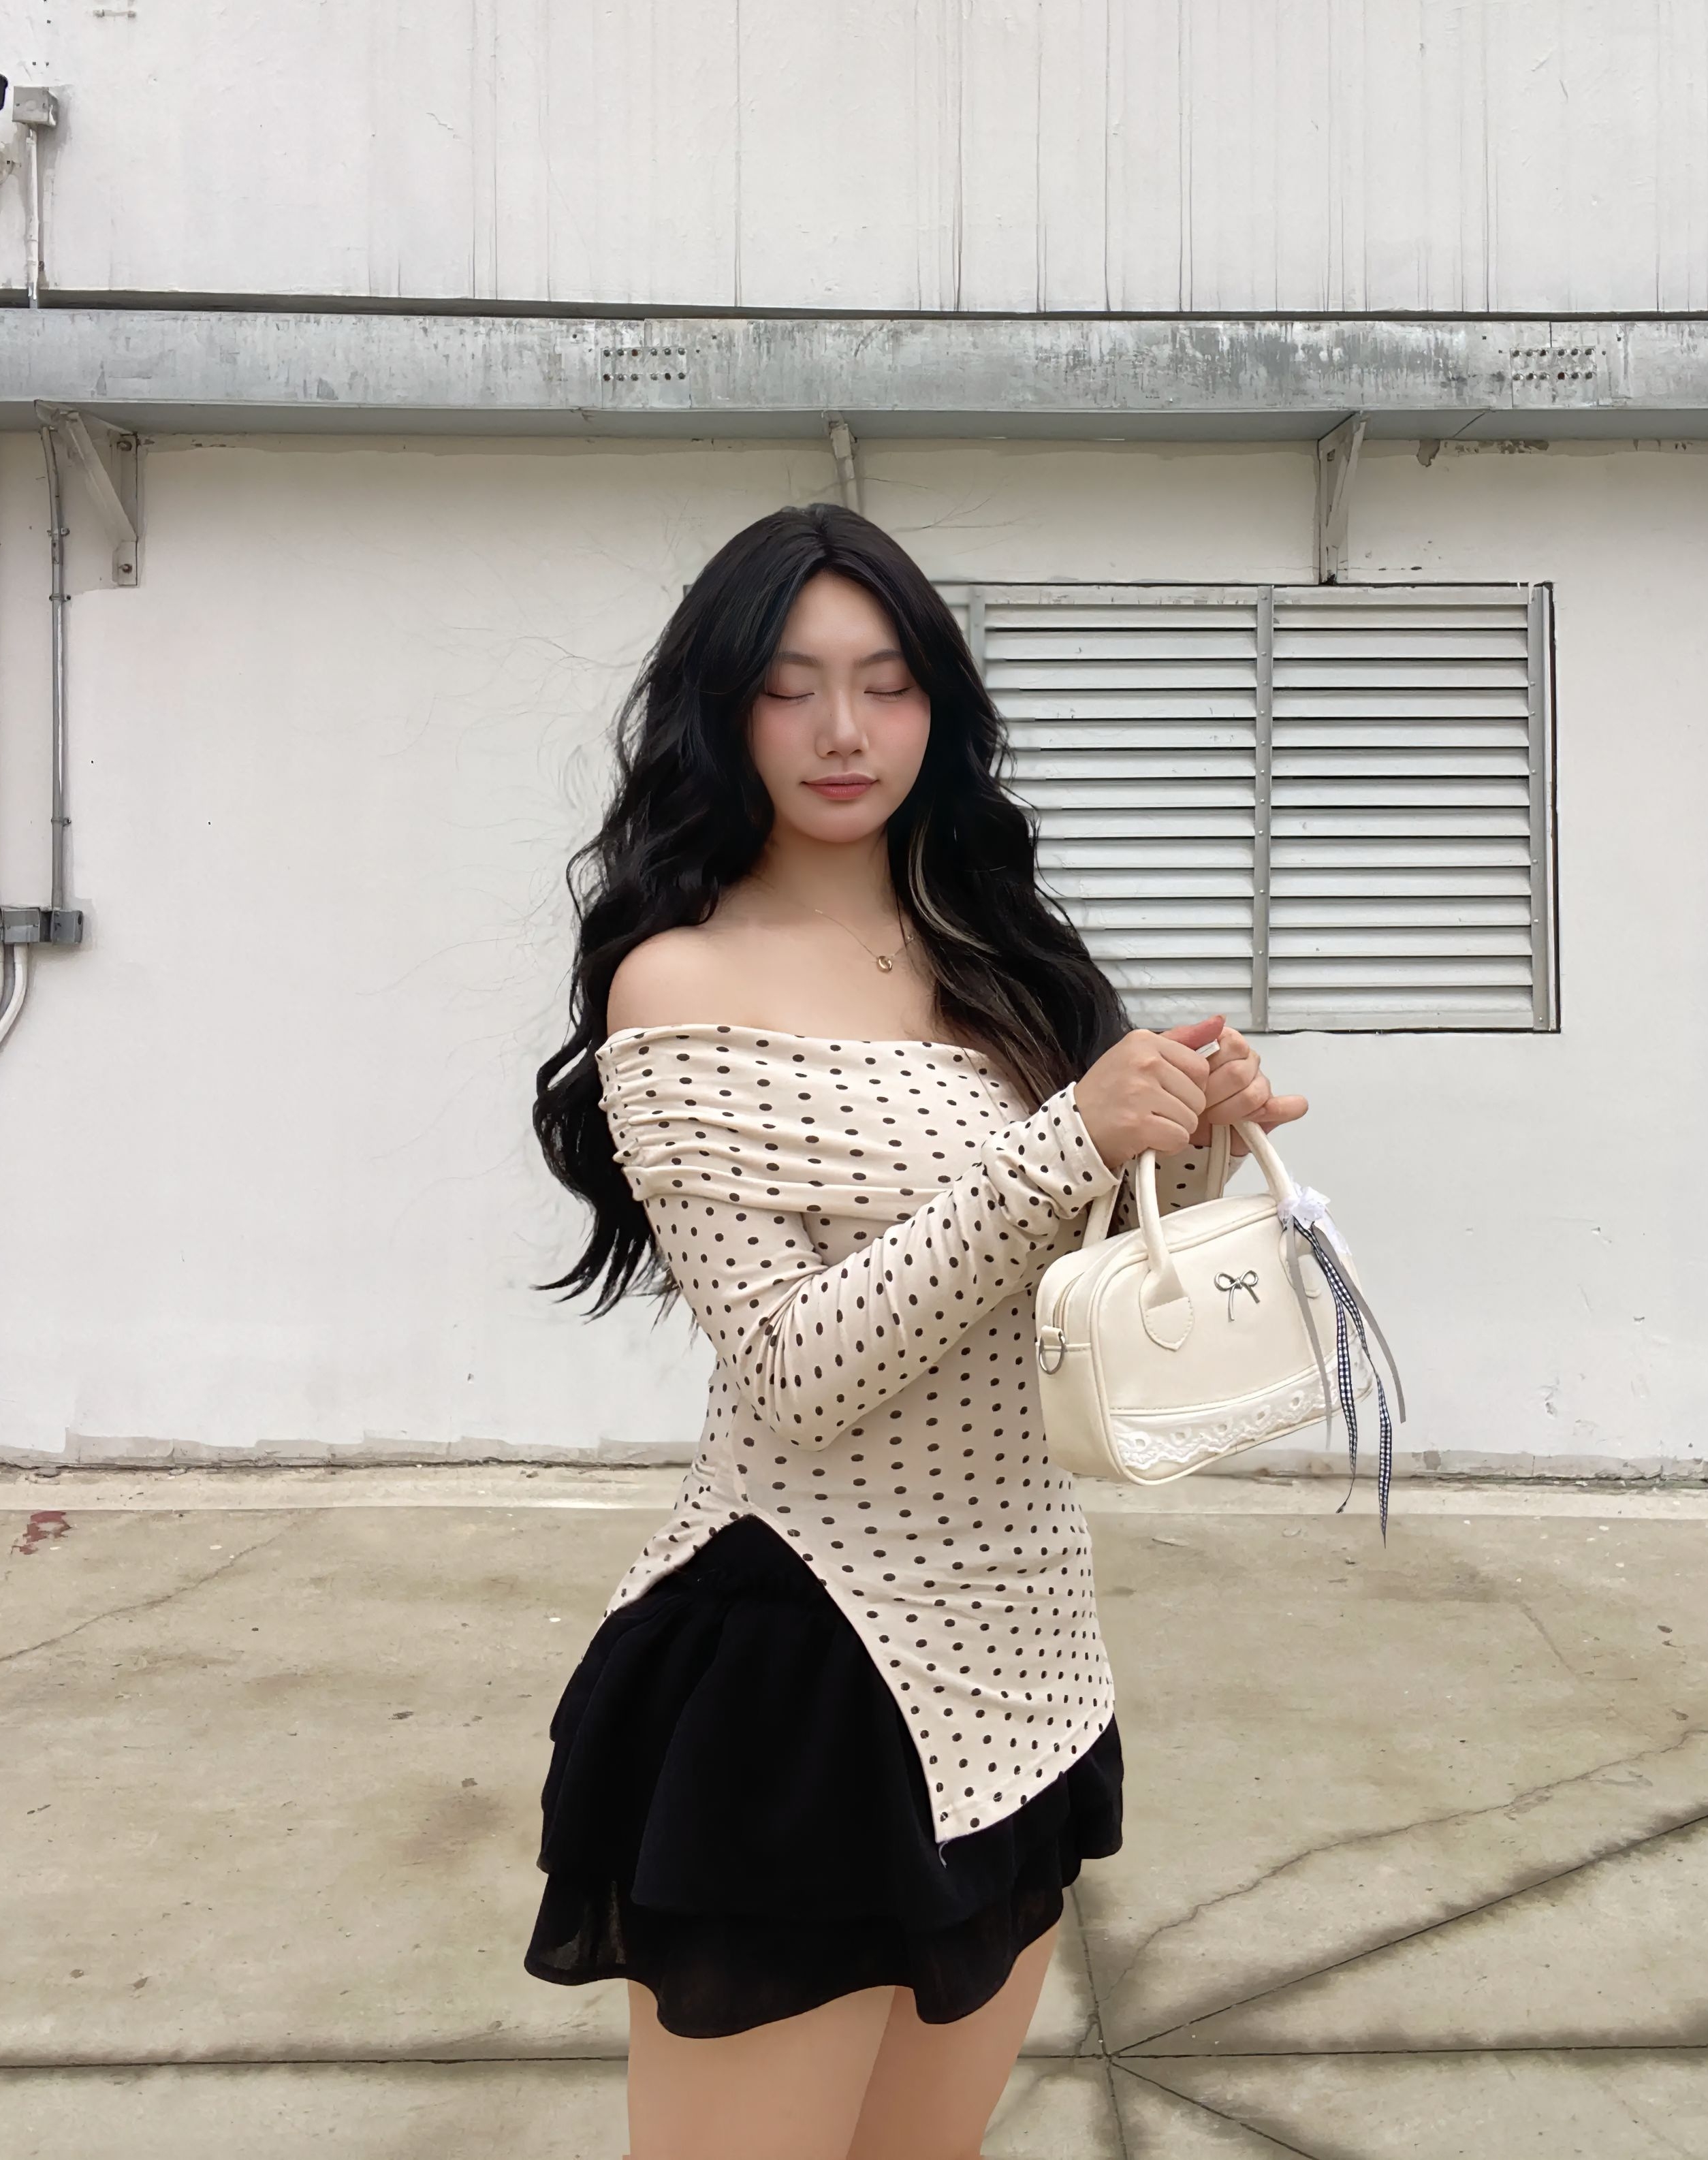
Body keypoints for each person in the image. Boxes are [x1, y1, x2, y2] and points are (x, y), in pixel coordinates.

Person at [528, 503, 1307, 2160]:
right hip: (803, 1665)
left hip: (1025, 1647)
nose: (841, 729)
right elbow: (794, 1370)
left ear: (936, 709)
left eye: (885, 684)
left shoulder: (997, 945)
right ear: (721, 707)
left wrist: (1187, 1135)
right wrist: (1061, 1145)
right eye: (789, 684)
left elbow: (1070, 1263)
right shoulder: (679, 982)